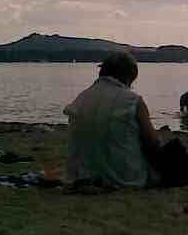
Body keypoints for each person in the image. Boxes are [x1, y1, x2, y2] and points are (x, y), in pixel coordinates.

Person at [63, 52, 162, 188]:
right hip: (124, 176)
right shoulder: (133, 101)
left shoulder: (82, 98)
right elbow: (153, 142)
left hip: (81, 174)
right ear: (129, 76)